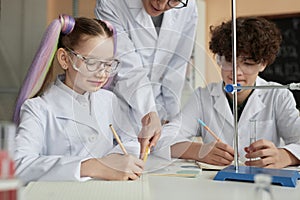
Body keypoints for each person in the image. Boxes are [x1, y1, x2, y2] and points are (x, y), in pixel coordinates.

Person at [13, 15, 144, 184]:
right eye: (91, 62)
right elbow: (19, 165)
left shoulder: (109, 100)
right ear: (64, 59)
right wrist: (94, 166)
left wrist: (119, 160)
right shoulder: (37, 108)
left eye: (108, 64)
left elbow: (129, 141)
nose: (102, 73)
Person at [169, 17, 300, 168]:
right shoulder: (202, 97)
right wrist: (198, 150)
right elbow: (164, 140)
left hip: (262, 183)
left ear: (263, 64)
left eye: (248, 63)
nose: (236, 72)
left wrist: (285, 156)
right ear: (219, 59)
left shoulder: (277, 96)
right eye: (229, 61)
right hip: (216, 184)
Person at [95, 0, 198, 157]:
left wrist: (171, 117)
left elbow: (177, 66)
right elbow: (128, 68)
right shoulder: (112, 3)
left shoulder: (188, 7)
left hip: (158, 105)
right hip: (118, 102)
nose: (162, 5)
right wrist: (149, 112)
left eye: (174, 1)